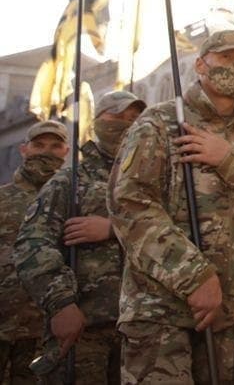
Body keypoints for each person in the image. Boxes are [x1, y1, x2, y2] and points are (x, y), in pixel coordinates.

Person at [109, 29, 234, 383]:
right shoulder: (160, 124)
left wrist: (229, 159)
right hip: (163, 314)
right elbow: (130, 207)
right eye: (226, 59)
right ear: (200, 65)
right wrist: (194, 276)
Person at [15, 90, 145, 383]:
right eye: (118, 116)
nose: (127, 124)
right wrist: (60, 303)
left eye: (134, 118)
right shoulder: (70, 180)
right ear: (97, 122)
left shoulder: (155, 177)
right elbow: (32, 243)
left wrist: (113, 228)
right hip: (86, 327)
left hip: (146, 326)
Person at [0, 120, 68, 383]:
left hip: (48, 329)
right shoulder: (3, 199)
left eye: (55, 146)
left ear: (66, 152)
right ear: (24, 149)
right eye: (38, 145)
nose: (46, 152)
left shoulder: (75, 201)